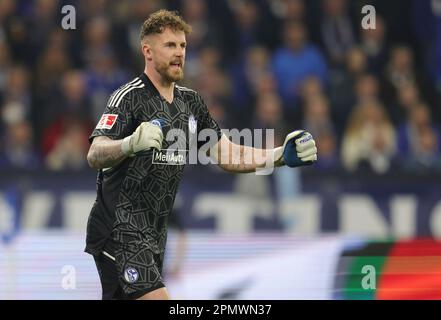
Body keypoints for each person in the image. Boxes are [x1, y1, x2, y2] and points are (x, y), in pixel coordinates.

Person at [85, 9, 318, 300]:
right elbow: (95, 153)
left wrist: (278, 156)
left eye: (182, 45)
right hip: (119, 231)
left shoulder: (191, 102)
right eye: (170, 45)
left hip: (155, 237)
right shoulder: (128, 97)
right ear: (147, 50)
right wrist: (129, 144)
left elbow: (227, 154)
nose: (179, 52)